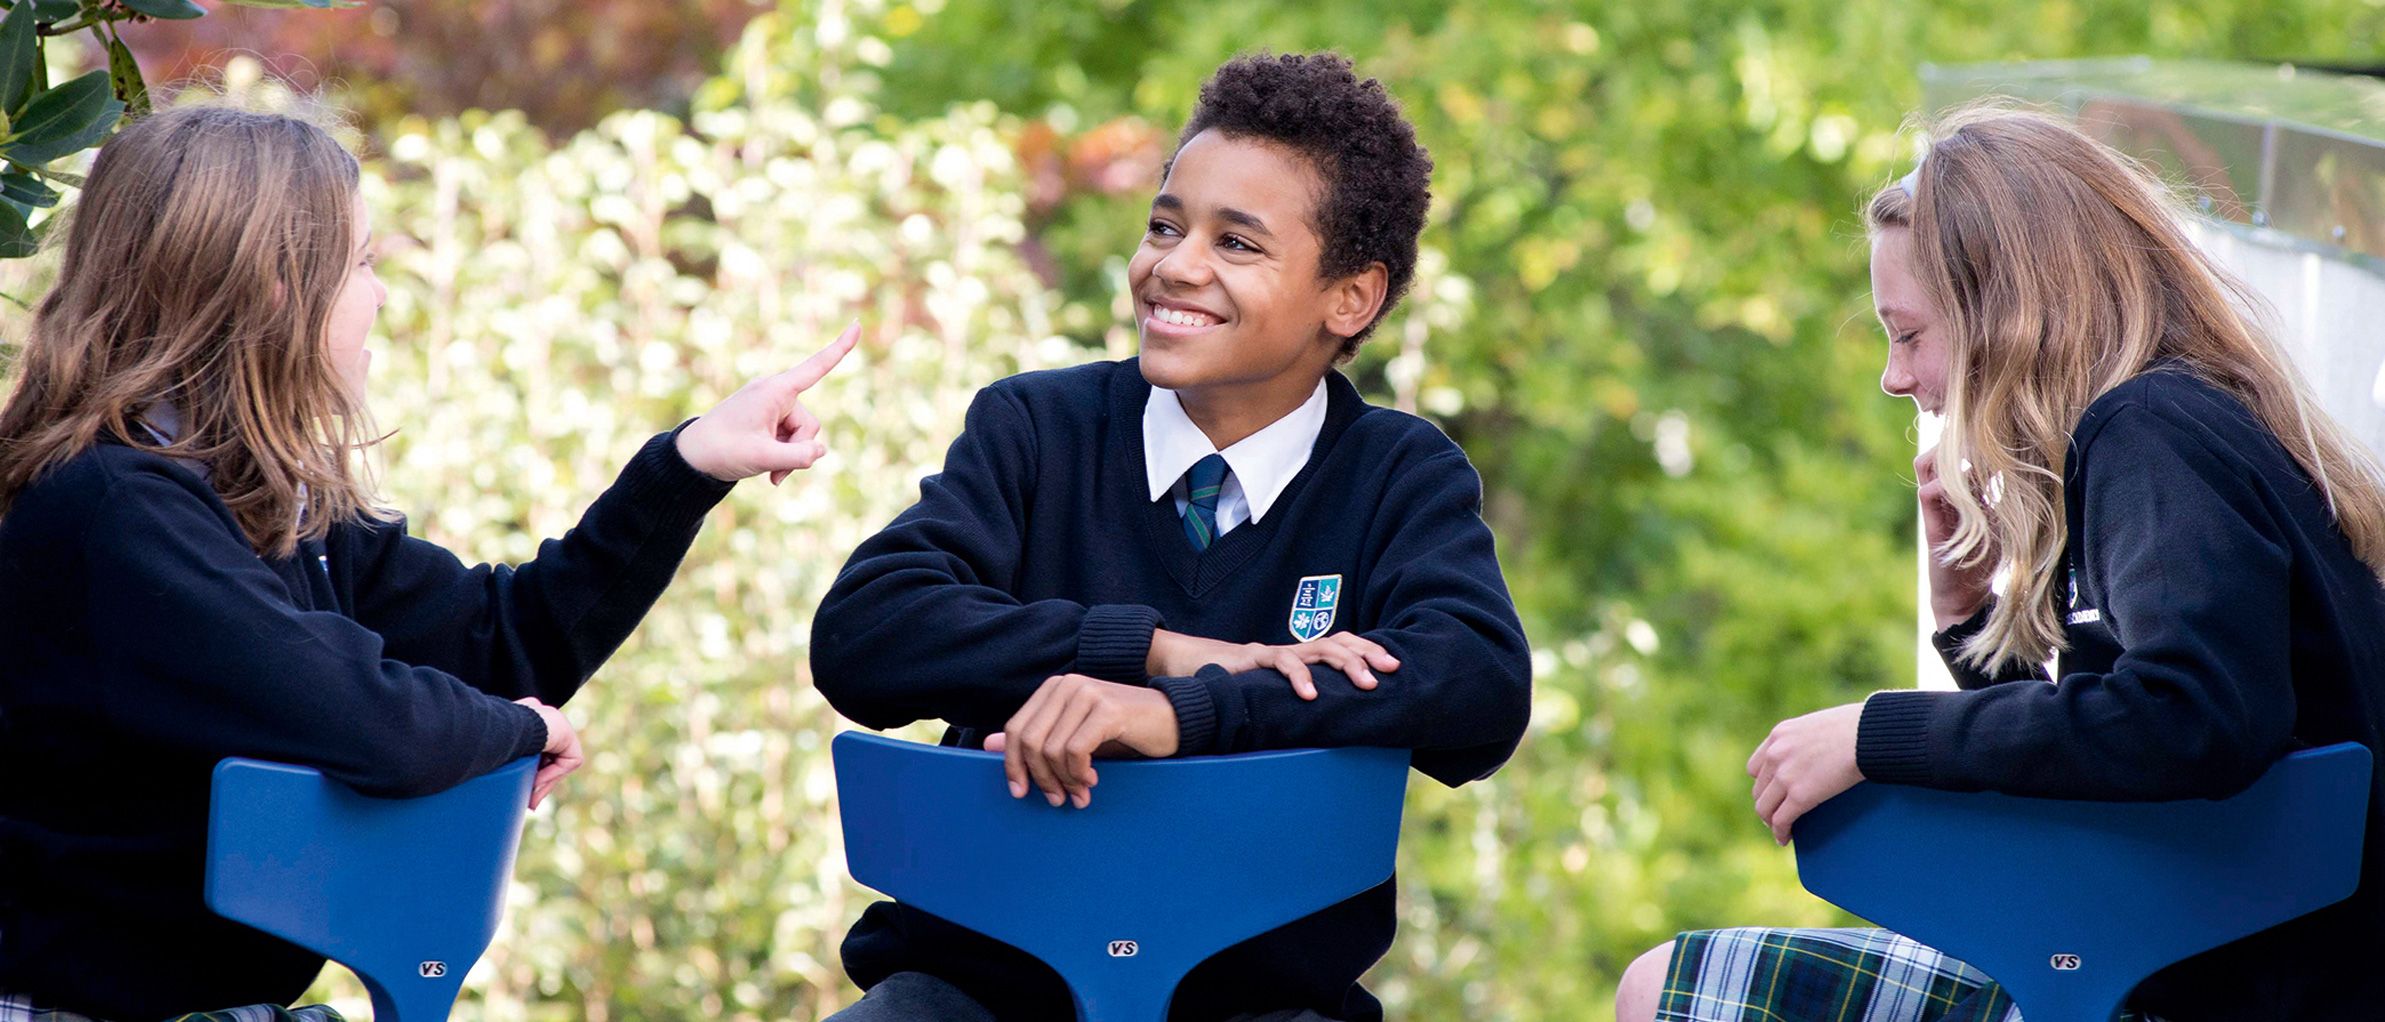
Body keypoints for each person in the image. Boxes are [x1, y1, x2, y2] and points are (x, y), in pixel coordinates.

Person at [0, 103, 855, 1019]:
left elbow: (501, 642)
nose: (378, 295)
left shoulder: (264, 502)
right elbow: (372, 726)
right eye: (361, 263)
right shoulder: (115, 511)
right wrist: (524, 731)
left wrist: (689, 465)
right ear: (274, 287)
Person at [1615, 105, 2385, 1022]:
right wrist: (1971, 620)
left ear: (2010, 316)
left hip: (2192, 985)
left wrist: (1874, 737)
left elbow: (2191, 719)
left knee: (1674, 993)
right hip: (2147, 946)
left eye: (1907, 334)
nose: (1894, 379)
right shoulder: (2172, 429)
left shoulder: (2146, 432)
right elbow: (2108, 773)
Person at [809, 52, 1532, 1022]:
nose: (1174, 265)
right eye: (1165, 224)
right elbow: (866, 630)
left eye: (1237, 243)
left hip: (1261, 1000)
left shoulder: (1398, 476)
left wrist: (1187, 712)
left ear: (1350, 297)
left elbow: (1477, 683)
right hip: (970, 990)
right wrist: (1149, 650)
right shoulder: (1036, 428)